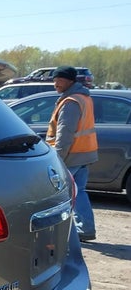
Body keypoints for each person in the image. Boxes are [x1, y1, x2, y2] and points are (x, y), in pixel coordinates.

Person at [45, 65, 99, 241]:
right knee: (79, 192)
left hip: (71, 155)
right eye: (54, 79)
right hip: (84, 154)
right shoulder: (84, 98)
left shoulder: (71, 102)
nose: (55, 83)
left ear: (70, 80)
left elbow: (65, 134)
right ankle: (86, 229)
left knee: (56, 195)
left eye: (59, 80)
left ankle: (56, 233)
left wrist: (57, 160)